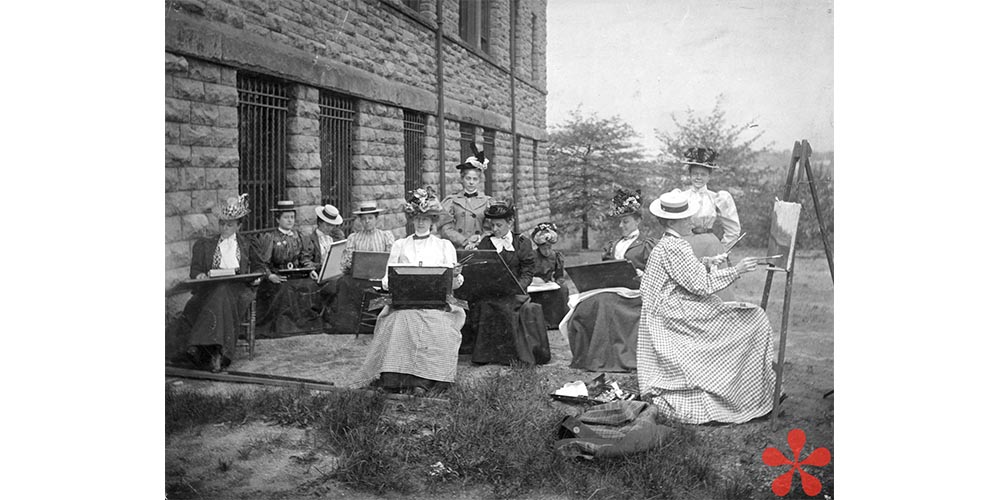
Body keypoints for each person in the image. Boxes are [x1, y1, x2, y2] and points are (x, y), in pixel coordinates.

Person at [637, 190, 775, 424]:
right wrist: (737, 270)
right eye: (686, 218)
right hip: (671, 316)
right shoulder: (675, 247)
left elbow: (682, 273)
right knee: (754, 318)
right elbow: (701, 286)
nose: (692, 221)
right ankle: (743, 390)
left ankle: (738, 383)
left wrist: (707, 262)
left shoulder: (667, 244)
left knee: (737, 315)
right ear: (672, 221)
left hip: (662, 312)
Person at [354, 187, 466, 395]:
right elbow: (387, 280)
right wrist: (397, 281)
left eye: (425, 218)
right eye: (417, 218)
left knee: (437, 325)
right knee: (399, 321)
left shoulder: (444, 246)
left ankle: (425, 380)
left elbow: (456, 284)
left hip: (437, 304)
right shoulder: (400, 245)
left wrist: (455, 275)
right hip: (405, 302)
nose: (421, 222)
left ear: (432, 220)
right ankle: (395, 379)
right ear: (411, 220)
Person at [560, 189, 655, 372]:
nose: (621, 225)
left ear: (638, 221)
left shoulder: (646, 244)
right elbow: (606, 270)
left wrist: (642, 274)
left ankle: (605, 359)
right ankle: (588, 356)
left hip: (636, 293)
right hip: (614, 289)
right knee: (587, 303)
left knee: (604, 304)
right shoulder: (614, 244)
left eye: (626, 221)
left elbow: (656, 272)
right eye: (620, 221)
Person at [172, 194, 264, 372]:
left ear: (239, 225)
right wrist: (199, 275)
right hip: (210, 289)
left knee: (222, 292)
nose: (225, 227)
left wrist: (258, 277)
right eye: (222, 223)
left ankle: (201, 348)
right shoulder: (205, 244)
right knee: (219, 291)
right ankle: (217, 352)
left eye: (230, 224)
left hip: (239, 290)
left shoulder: (248, 244)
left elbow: (260, 267)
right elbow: (195, 270)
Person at [463, 201, 550, 365]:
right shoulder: (485, 243)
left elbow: (528, 270)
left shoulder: (522, 243)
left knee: (510, 308)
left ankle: (511, 356)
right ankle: (486, 355)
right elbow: (480, 271)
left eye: (499, 225)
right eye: (492, 225)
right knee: (486, 306)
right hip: (491, 291)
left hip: (515, 292)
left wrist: (519, 286)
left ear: (510, 223)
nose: (495, 229)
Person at [674, 146, 742, 300]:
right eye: (695, 174)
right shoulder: (681, 196)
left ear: (709, 176)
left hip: (711, 247)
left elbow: (733, 229)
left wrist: (721, 249)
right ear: (690, 175)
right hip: (686, 245)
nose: (698, 178)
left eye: (703, 174)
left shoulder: (717, 197)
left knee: (715, 291)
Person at [254, 200, 322, 337]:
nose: (290, 220)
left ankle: (305, 325)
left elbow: (304, 258)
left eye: (292, 217)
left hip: (296, 275)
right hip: (278, 276)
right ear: (278, 219)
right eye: (286, 217)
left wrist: (311, 270)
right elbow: (263, 262)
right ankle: (286, 326)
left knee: (310, 286)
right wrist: (270, 275)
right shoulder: (270, 238)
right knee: (286, 290)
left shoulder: (299, 236)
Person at [331, 200, 397, 334]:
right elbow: (345, 264)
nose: (367, 221)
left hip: (379, 278)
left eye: (370, 218)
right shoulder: (354, 238)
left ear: (376, 219)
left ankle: (377, 323)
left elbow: (392, 260)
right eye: (364, 219)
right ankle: (351, 325)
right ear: (360, 221)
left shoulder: (386, 237)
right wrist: (352, 262)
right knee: (344, 283)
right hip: (359, 278)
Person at [441, 144, 494, 250]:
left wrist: (478, 240)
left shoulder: (487, 201)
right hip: (457, 248)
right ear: (462, 179)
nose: (471, 182)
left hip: (479, 249)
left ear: (479, 180)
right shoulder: (452, 201)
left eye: (475, 179)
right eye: (468, 178)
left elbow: (490, 228)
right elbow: (445, 228)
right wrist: (464, 241)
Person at [308, 204, 346, 332]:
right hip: (320, 273)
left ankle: (338, 317)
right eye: (327, 225)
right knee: (336, 285)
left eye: (332, 225)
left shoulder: (336, 236)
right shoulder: (310, 239)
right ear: (319, 222)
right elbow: (306, 259)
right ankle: (329, 317)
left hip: (337, 271)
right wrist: (314, 269)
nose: (330, 228)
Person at [528, 222, 569, 329]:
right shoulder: (531, 256)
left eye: (549, 247)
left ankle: (558, 321)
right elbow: (524, 274)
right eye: (543, 248)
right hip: (533, 286)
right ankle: (540, 322)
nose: (546, 251)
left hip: (548, 284)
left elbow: (559, 276)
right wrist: (533, 280)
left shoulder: (556, 256)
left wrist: (558, 281)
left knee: (563, 289)